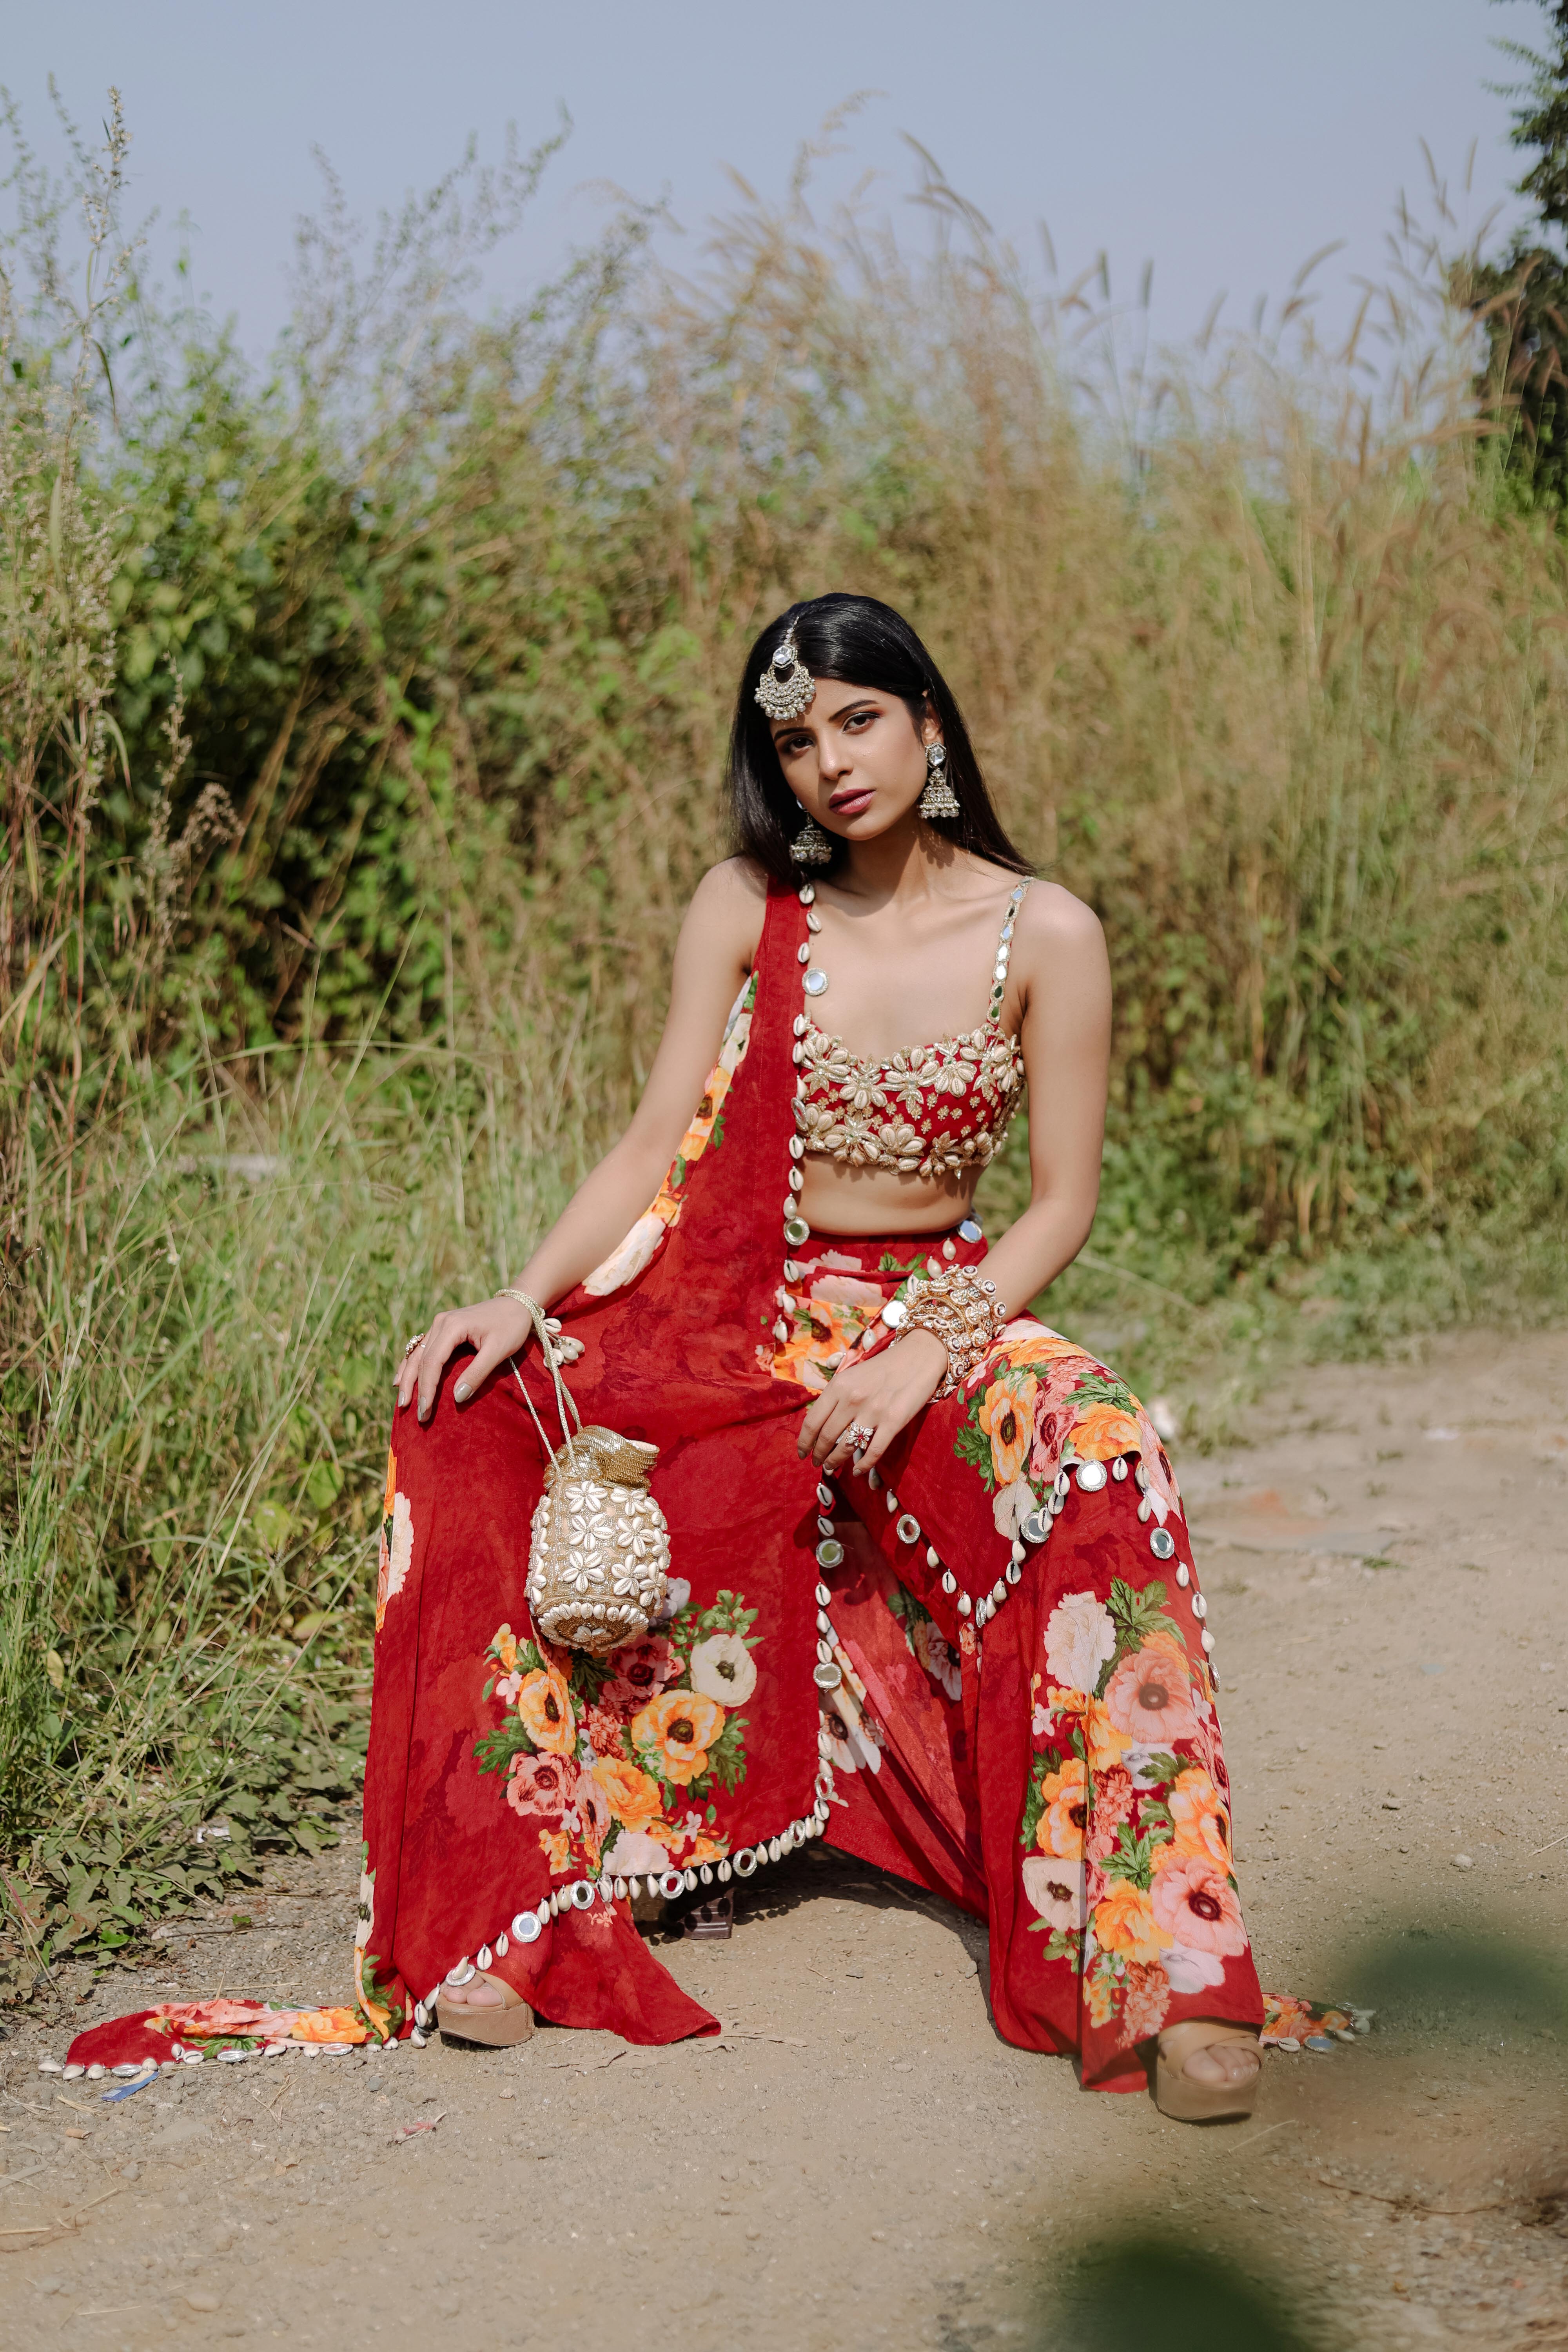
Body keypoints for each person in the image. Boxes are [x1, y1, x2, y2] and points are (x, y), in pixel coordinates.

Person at [365, 592, 1263, 2120]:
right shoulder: (748, 904)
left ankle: (1162, 1968)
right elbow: (655, 1140)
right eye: (795, 740)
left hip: (939, 1315)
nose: (831, 762)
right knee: (475, 1411)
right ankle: (514, 1905)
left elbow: (1061, 1203)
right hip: (730, 1306)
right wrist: (522, 1298)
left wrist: (926, 1350)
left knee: (1098, 1444)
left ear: (926, 719)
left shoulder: (1043, 932)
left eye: (856, 719)